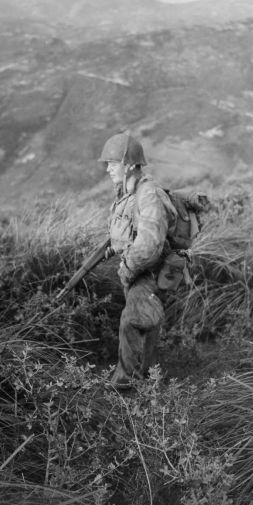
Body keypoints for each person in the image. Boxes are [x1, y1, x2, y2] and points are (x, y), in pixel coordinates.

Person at [98, 131, 177, 389]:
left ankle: (126, 388)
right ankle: (150, 383)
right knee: (144, 324)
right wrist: (115, 249)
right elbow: (129, 232)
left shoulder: (148, 194)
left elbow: (150, 245)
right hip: (139, 271)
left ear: (129, 164)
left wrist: (127, 268)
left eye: (112, 162)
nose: (108, 168)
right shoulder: (126, 192)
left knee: (134, 321)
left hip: (150, 272)